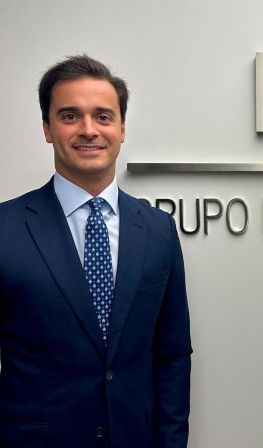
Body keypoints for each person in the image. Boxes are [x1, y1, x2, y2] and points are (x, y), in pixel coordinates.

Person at [0, 55, 192, 447]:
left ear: (121, 129)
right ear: (47, 128)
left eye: (103, 117)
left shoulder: (159, 230)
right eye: (70, 116)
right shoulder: (6, 227)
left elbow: (172, 355)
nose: (89, 130)